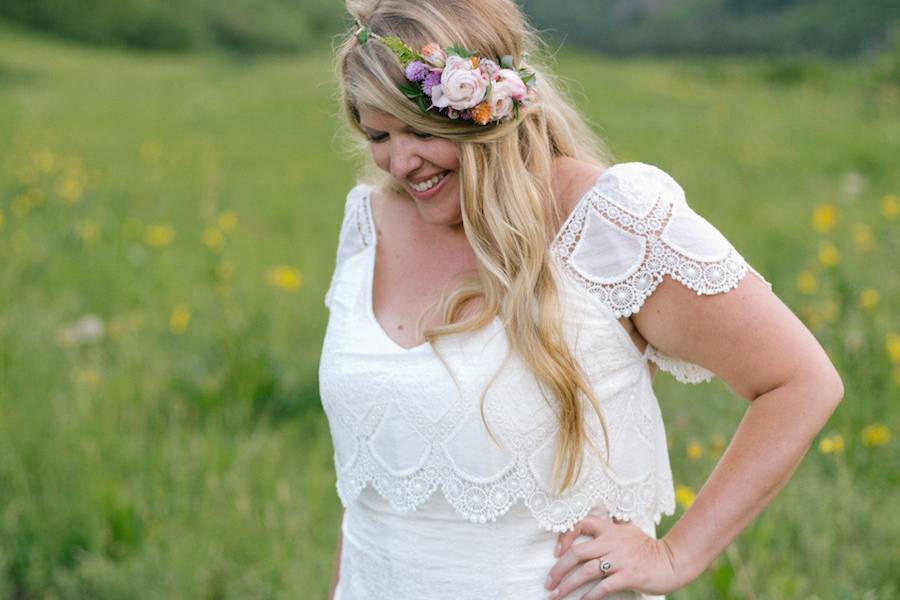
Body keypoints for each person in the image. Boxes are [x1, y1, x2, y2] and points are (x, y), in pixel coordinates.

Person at [318, 1, 844, 598]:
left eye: (419, 130)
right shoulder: (369, 221)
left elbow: (801, 381)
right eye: (379, 134)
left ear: (485, 109)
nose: (400, 162)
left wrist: (674, 556)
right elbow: (368, 483)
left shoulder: (609, 222)